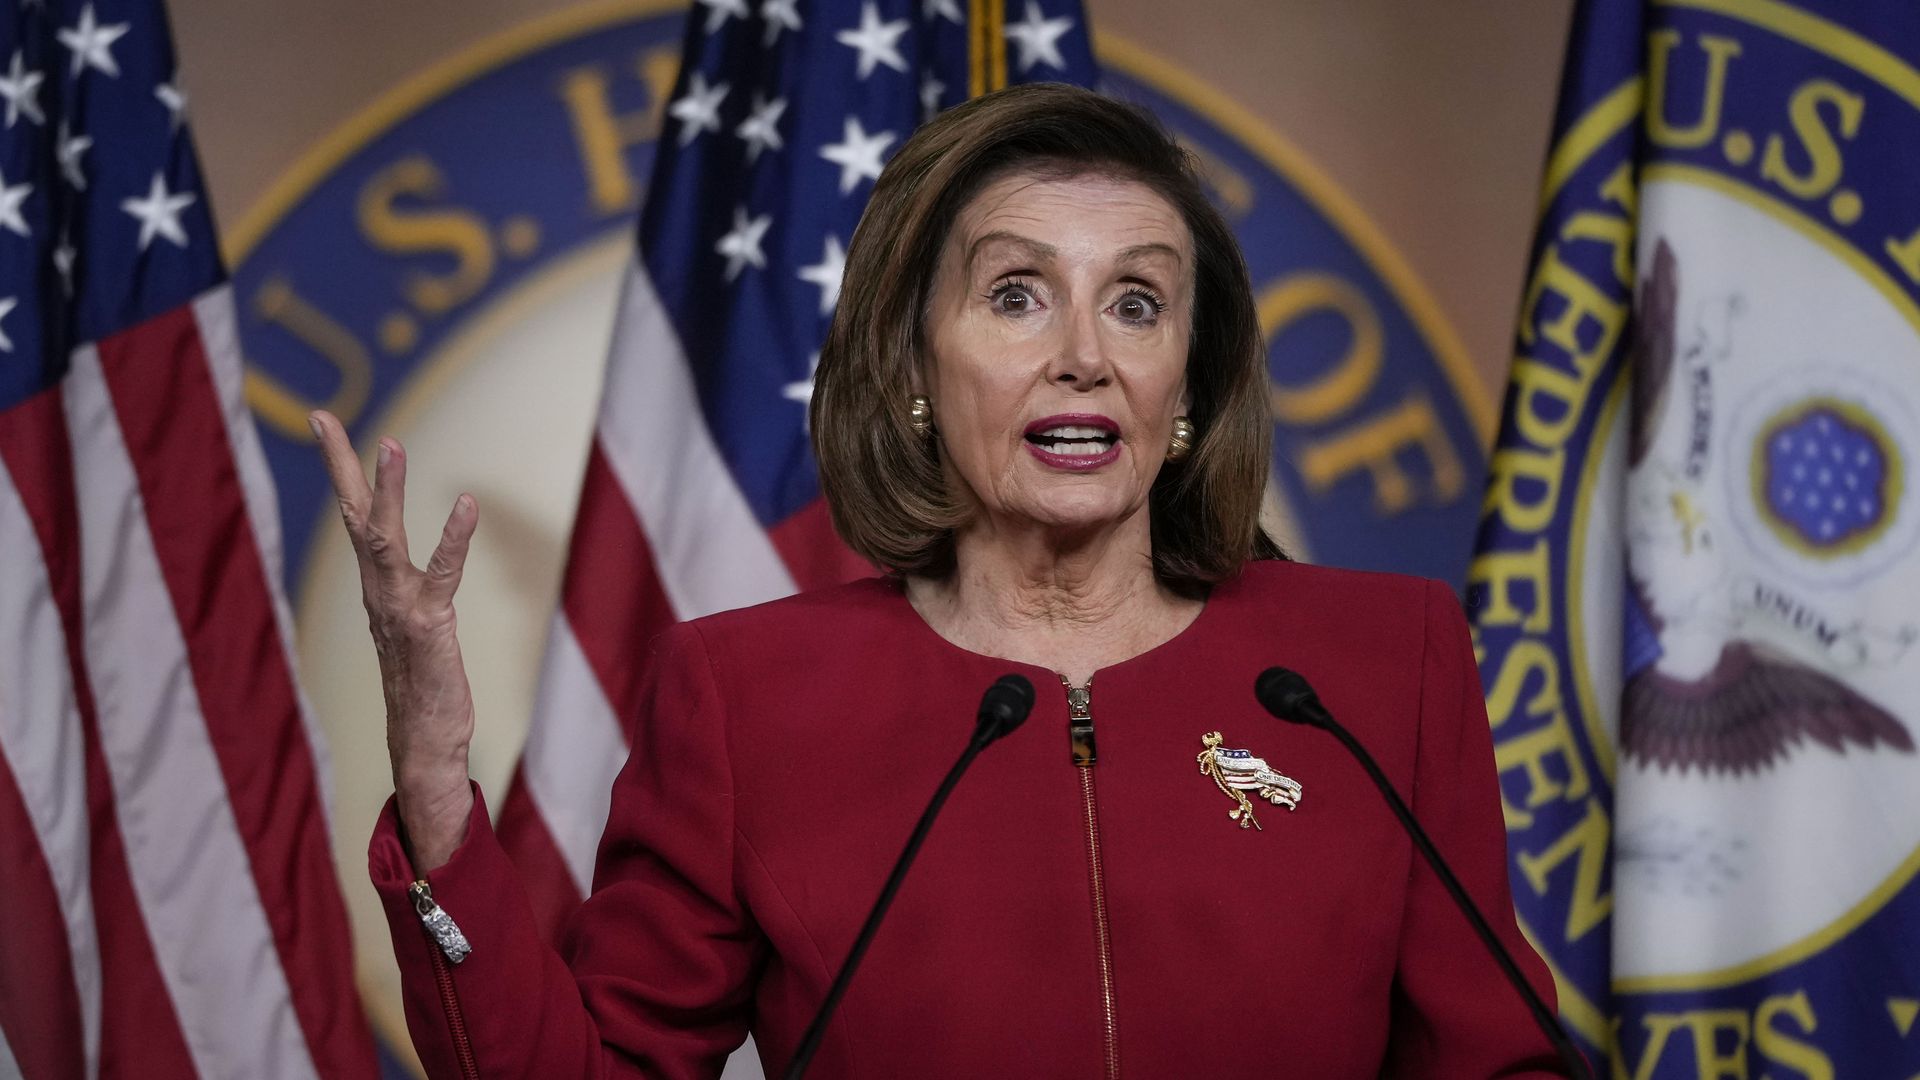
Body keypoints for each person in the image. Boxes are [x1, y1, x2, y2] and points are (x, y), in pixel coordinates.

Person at [311, 82, 1567, 1078]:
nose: (1085, 356)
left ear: (1191, 379)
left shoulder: (1371, 667)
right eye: (1017, 294)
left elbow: (1498, 1059)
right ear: (912, 364)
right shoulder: (751, 699)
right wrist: (432, 786)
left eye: (1137, 303)